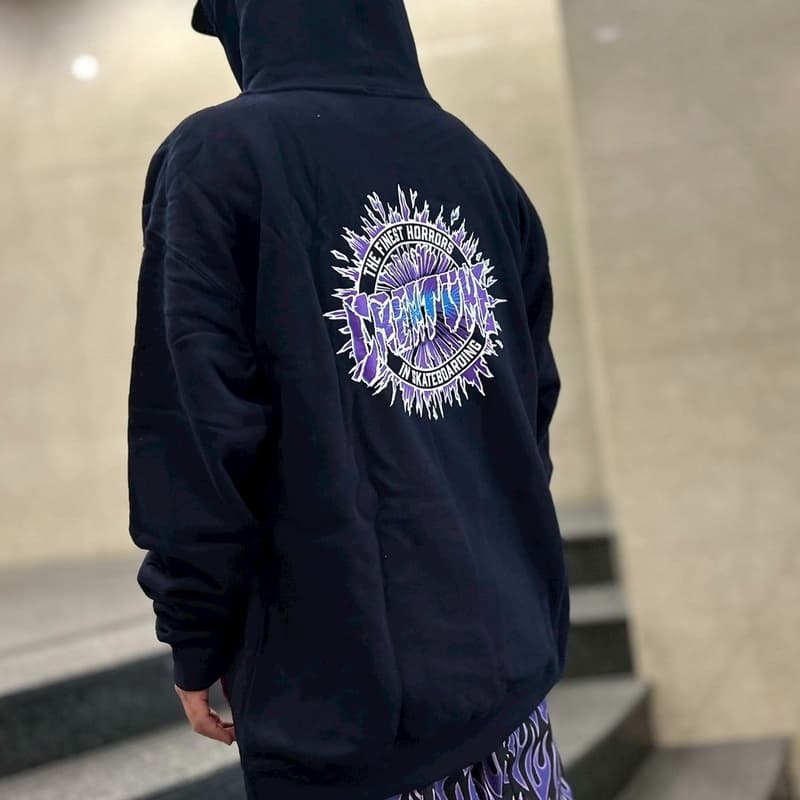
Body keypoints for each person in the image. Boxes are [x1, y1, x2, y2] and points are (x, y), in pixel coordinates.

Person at [127, 0, 573, 798]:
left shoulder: (218, 158)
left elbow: (195, 434)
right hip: (510, 680)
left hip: (352, 703)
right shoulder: (477, 164)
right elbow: (530, 407)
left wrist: (194, 632)